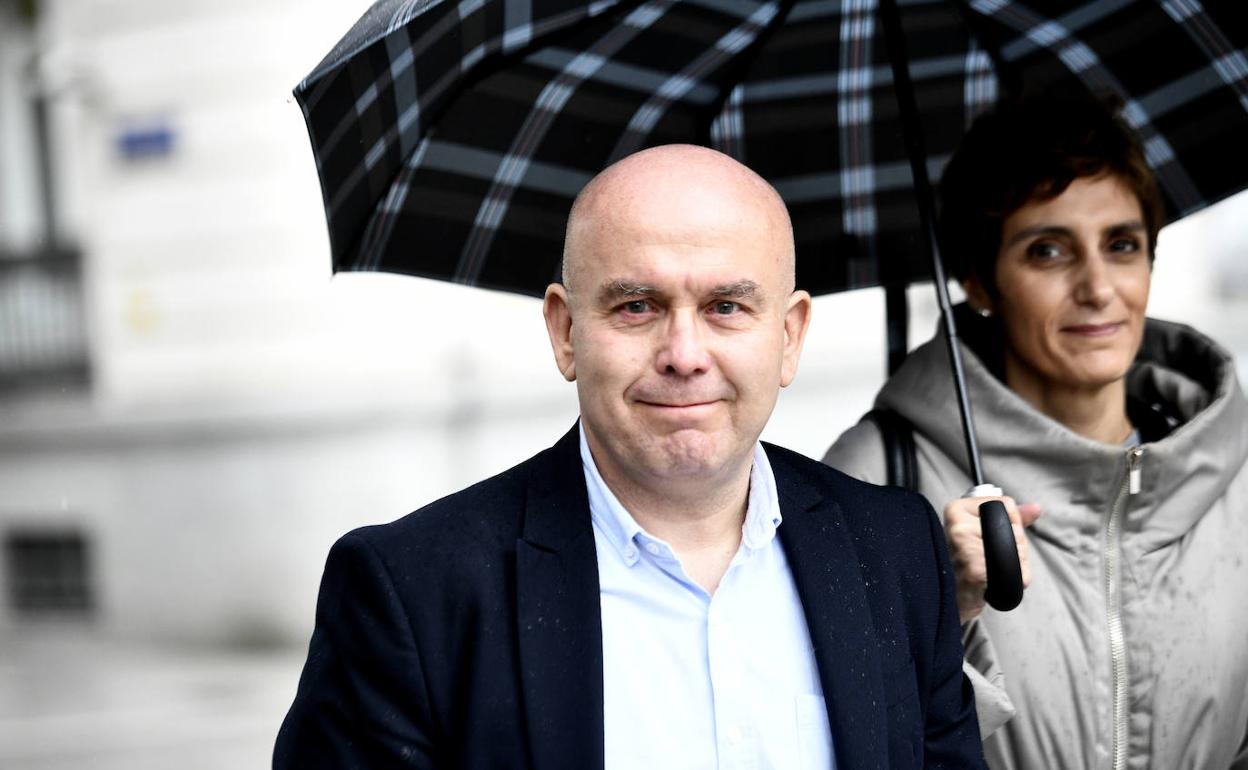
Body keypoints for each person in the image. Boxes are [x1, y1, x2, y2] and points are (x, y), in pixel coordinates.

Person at [274, 144, 986, 768]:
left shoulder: (895, 549)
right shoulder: (414, 591)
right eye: (637, 306)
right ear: (565, 332)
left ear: (790, 336)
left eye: (727, 307)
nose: (684, 355)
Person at [823, 96, 1248, 769]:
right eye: (1048, 251)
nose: (1098, 288)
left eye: (1122, 245)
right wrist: (946, 612)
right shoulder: (872, 480)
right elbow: (843, 730)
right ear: (978, 282)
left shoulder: (1233, 470)